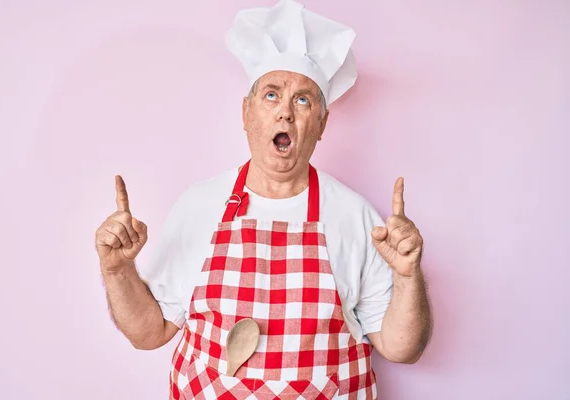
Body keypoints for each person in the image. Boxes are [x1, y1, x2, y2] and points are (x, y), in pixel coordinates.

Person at [95, 0, 432, 398]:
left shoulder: (355, 215)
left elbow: (401, 348)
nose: (285, 113)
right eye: (271, 95)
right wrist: (117, 271)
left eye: (303, 100)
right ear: (246, 112)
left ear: (322, 124)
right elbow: (150, 333)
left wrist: (409, 276)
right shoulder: (199, 205)